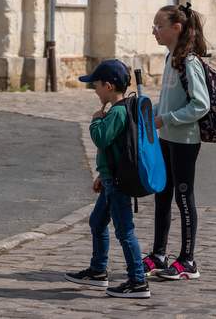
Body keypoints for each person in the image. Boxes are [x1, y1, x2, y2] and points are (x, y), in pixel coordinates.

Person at [64, 60, 151, 299]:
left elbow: (101, 139)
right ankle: (97, 270)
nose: (95, 90)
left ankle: (137, 281)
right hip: (111, 178)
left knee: (125, 231)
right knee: (97, 222)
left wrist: (96, 120)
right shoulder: (123, 108)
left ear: (109, 86)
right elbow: (115, 150)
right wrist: (102, 175)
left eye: (97, 85)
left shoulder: (118, 112)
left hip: (118, 183)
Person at [143, 3, 209, 280]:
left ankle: (188, 260)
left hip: (185, 141)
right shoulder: (170, 60)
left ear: (176, 28)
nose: (154, 31)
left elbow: (200, 105)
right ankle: (159, 253)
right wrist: (151, 113)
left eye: (159, 25)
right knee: (162, 194)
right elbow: (169, 101)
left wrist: (166, 118)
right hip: (166, 139)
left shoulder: (189, 63)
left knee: (184, 197)